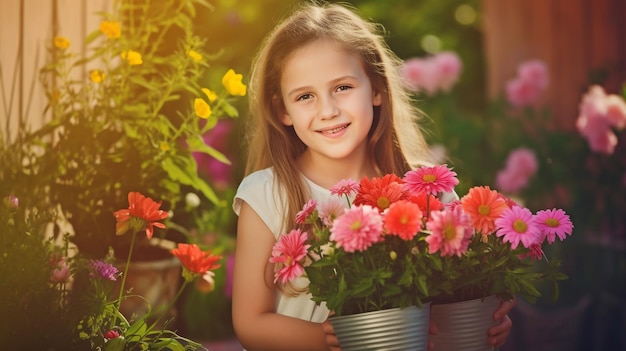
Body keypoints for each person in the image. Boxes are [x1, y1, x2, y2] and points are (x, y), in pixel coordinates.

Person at [232, 1, 515, 350]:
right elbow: (250, 323)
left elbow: (454, 307)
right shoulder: (266, 194)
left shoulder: (430, 192)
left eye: (342, 88)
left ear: (377, 88)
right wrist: (331, 340)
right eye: (305, 96)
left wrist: (487, 317)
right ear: (282, 111)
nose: (328, 110)